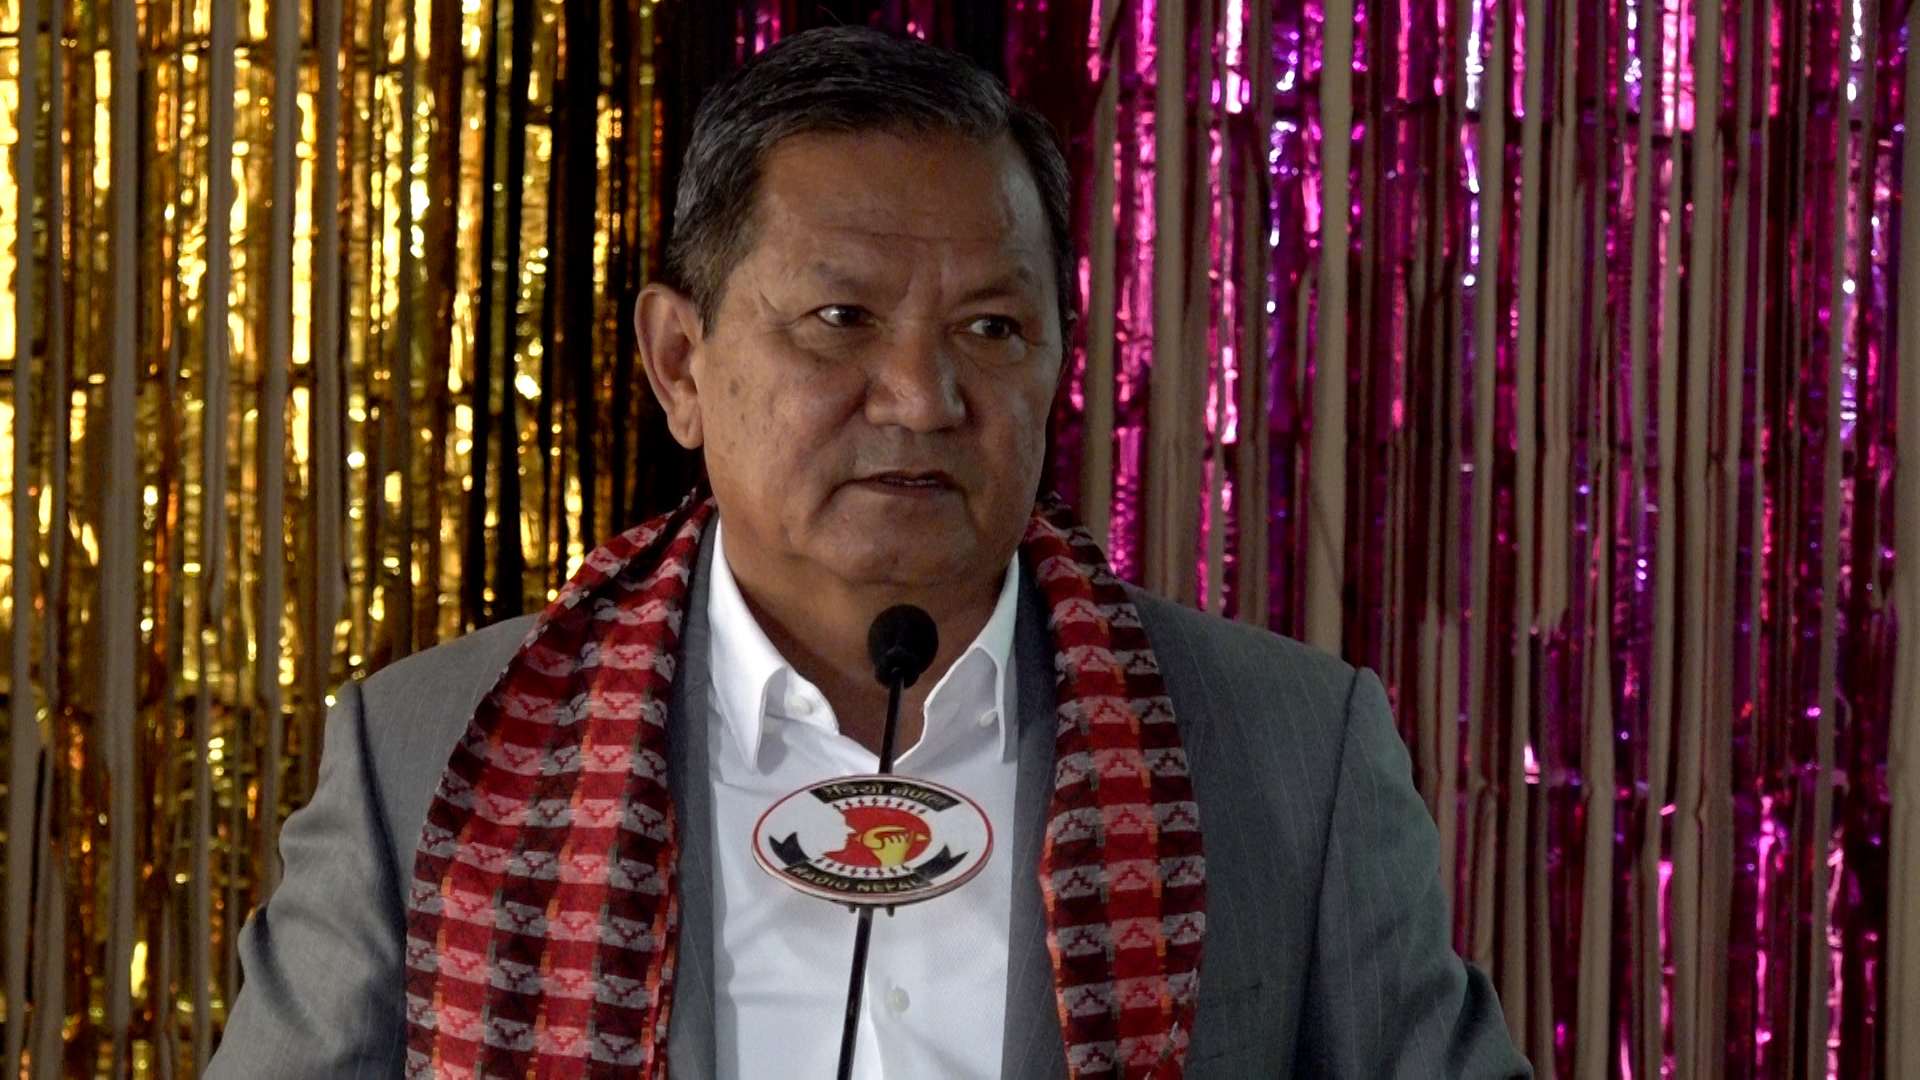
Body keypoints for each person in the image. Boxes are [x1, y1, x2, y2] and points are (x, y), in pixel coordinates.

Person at [209, 26, 1530, 1080]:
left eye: (991, 330)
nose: (922, 398)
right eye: (841, 318)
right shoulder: (426, 755)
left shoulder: (1293, 752)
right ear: (681, 364)